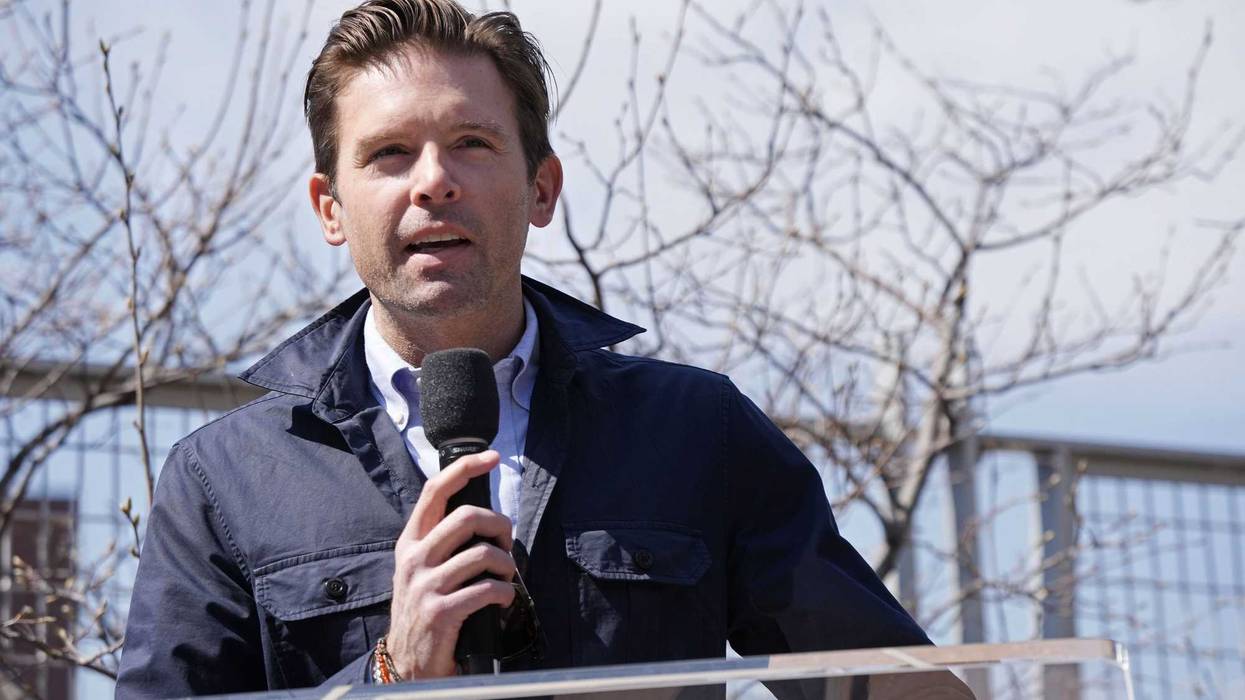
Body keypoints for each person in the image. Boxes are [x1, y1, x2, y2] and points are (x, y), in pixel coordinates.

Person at [115, 0, 948, 696]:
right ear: (330, 208)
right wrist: (390, 672)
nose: (432, 181)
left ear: (541, 188)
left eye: (471, 144)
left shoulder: (697, 433)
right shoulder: (224, 481)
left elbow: (890, 686)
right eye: (389, 153)